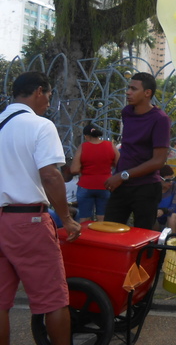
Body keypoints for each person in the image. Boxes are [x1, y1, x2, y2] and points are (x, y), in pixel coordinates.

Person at [0, 71, 82, 345]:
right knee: (52, 298)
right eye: (48, 95)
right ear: (38, 92)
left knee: (0, 302)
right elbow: (51, 175)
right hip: (27, 221)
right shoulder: (40, 126)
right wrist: (67, 218)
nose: (48, 101)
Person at [104, 72, 171, 230]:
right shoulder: (127, 112)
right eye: (128, 88)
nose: (128, 92)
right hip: (121, 186)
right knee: (109, 231)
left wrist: (123, 175)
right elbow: (129, 147)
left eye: (133, 89)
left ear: (147, 93)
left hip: (146, 188)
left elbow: (158, 161)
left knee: (143, 237)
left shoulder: (160, 119)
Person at [70, 123, 119, 222]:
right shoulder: (110, 145)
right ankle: (102, 237)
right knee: (103, 217)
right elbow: (120, 164)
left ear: (86, 136)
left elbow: (74, 169)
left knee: (85, 218)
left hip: (86, 185)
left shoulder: (83, 147)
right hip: (106, 184)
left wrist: (84, 169)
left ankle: (86, 236)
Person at [154, 165, 176, 233]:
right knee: (150, 217)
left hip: (174, 219)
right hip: (158, 219)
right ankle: (154, 241)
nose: (171, 182)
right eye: (168, 180)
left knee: (171, 216)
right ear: (159, 178)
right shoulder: (153, 188)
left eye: (172, 179)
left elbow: (174, 207)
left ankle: (172, 241)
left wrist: (163, 211)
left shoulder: (175, 186)